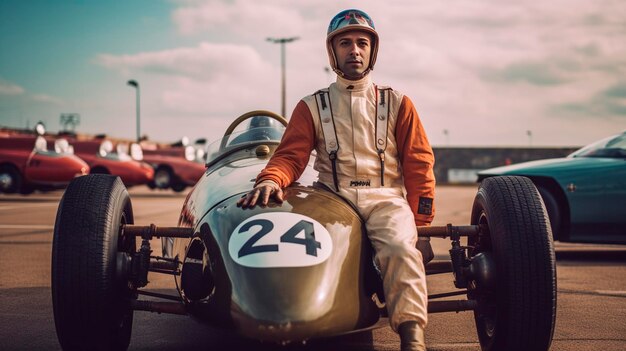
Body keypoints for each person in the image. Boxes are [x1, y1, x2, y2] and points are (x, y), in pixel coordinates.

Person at [238, 9, 435, 351]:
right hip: (331, 199)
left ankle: (413, 338)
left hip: (385, 199)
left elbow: (419, 164)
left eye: (362, 43)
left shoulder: (399, 103)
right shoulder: (311, 106)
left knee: (401, 249)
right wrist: (270, 179)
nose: (354, 50)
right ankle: (297, 317)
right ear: (332, 52)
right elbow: (289, 157)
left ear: (373, 51)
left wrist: (420, 223)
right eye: (345, 43)